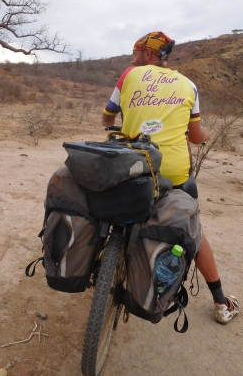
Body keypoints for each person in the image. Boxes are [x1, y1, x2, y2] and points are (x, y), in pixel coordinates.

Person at [102, 31, 240, 325]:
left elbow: (106, 119)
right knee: (194, 229)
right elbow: (194, 136)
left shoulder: (129, 75)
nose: (133, 55)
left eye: (137, 51)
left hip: (132, 164)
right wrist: (205, 136)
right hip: (174, 172)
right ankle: (220, 301)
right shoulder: (189, 85)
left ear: (149, 54)